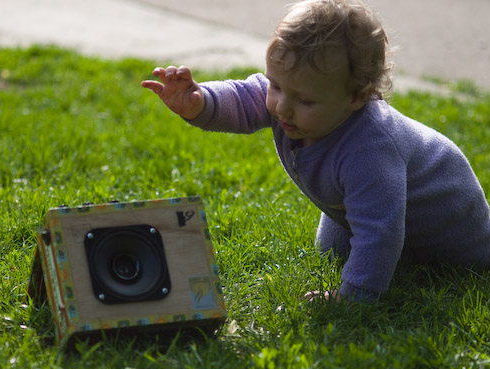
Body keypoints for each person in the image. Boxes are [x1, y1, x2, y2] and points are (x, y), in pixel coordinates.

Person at [141, 0, 490, 301]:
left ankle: (386, 272)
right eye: (275, 85)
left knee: (393, 252)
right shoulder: (292, 99)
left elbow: (380, 231)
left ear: (357, 96)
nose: (282, 107)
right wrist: (199, 103)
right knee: (331, 252)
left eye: (305, 100)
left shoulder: (372, 150)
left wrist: (354, 296)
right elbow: (244, 98)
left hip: (451, 234)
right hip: (359, 206)